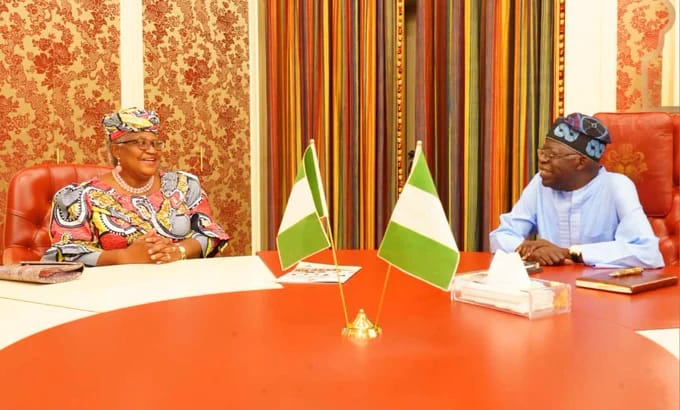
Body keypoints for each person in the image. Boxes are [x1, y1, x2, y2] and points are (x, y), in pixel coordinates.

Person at [42, 107, 229, 266]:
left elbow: (210, 232)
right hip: (114, 295)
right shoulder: (81, 197)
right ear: (117, 150)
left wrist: (178, 250)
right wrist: (124, 257)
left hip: (182, 290)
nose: (152, 150)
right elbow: (65, 255)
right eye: (141, 143)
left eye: (156, 143)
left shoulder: (184, 185)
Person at [489, 112, 664, 268]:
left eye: (551, 155)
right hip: (551, 289)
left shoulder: (617, 186)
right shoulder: (540, 184)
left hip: (601, 292)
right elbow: (501, 236)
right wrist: (528, 250)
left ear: (580, 162)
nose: (542, 160)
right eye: (542, 153)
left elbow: (647, 253)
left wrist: (569, 253)